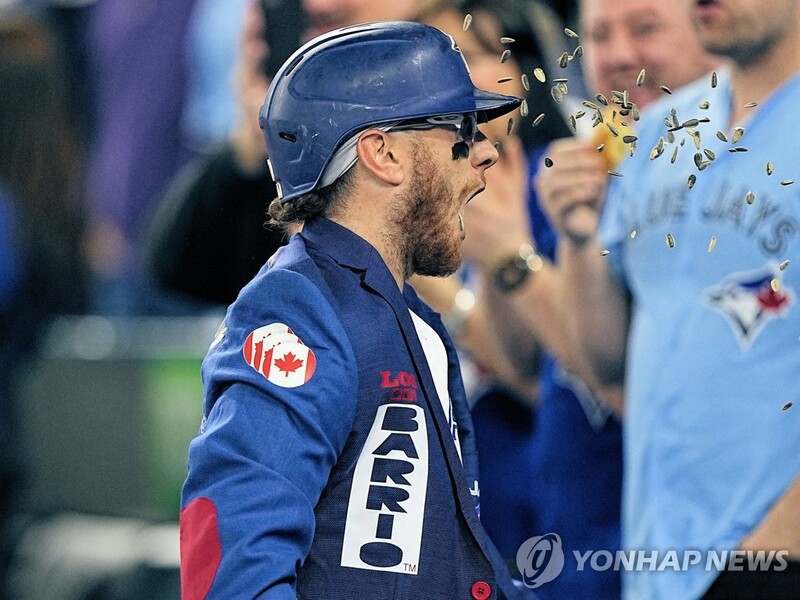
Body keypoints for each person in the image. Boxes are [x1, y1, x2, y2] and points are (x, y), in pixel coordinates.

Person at [179, 21, 533, 600]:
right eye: (463, 134)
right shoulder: (297, 309)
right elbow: (231, 568)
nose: (486, 155)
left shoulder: (411, 319)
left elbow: (454, 568)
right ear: (383, 153)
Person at [540, 0, 800, 598]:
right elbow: (605, 357)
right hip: (656, 565)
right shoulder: (660, 127)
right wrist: (579, 238)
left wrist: (766, 566)